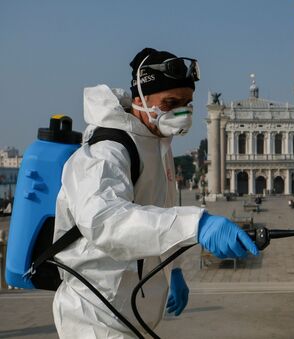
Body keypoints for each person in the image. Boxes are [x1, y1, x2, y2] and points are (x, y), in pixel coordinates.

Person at [52, 48, 259, 338]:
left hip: (132, 311)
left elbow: (162, 208)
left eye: (188, 103)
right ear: (140, 100)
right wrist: (196, 224)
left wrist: (172, 269)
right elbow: (105, 221)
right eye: (170, 103)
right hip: (94, 316)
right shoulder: (105, 152)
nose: (182, 112)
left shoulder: (158, 143)